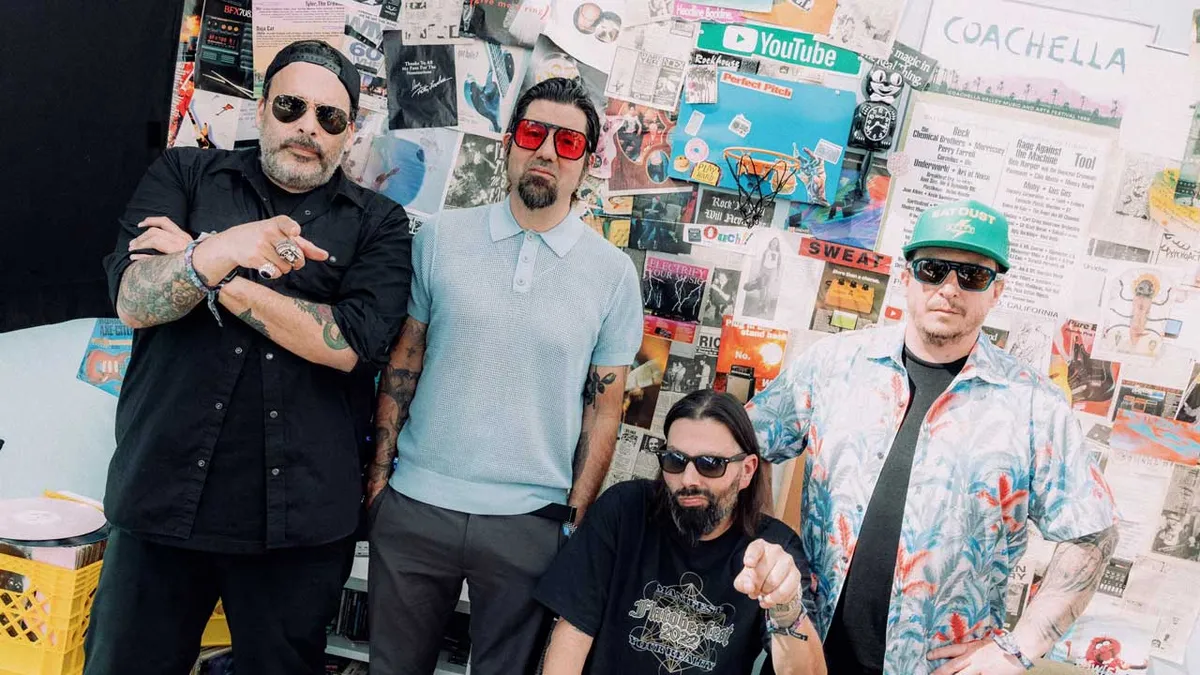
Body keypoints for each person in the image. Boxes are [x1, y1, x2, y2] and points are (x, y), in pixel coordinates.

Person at [86, 40, 412, 675]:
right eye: (291, 106)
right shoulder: (184, 174)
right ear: (262, 109)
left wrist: (211, 263)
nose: (308, 127)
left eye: (330, 117)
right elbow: (134, 301)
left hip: (298, 526)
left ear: (350, 133)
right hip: (161, 499)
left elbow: (351, 344)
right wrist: (219, 250)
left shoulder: (379, 223)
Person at [747, 199, 1118, 675]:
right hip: (808, 657)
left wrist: (1019, 648)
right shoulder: (833, 365)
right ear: (907, 277)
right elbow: (742, 446)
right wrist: (762, 551)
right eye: (933, 269)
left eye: (972, 275)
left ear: (996, 291)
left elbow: (1092, 531)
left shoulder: (1033, 405)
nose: (949, 288)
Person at [366, 77, 644, 675]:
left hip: (530, 523)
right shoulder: (440, 238)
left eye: (568, 142)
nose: (546, 151)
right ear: (508, 144)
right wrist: (380, 484)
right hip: (416, 505)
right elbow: (406, 359)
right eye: (533, 132)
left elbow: (605, 408)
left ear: (586, 164)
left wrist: (572, 517)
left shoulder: (613, 274)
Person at [535, 390, 826, 674]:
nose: (688, 479)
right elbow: (573, 632)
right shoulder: (625, 510)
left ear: (747, 470)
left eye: (710, 464)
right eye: (675, 460)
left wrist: (786, 608)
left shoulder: (773, 550)